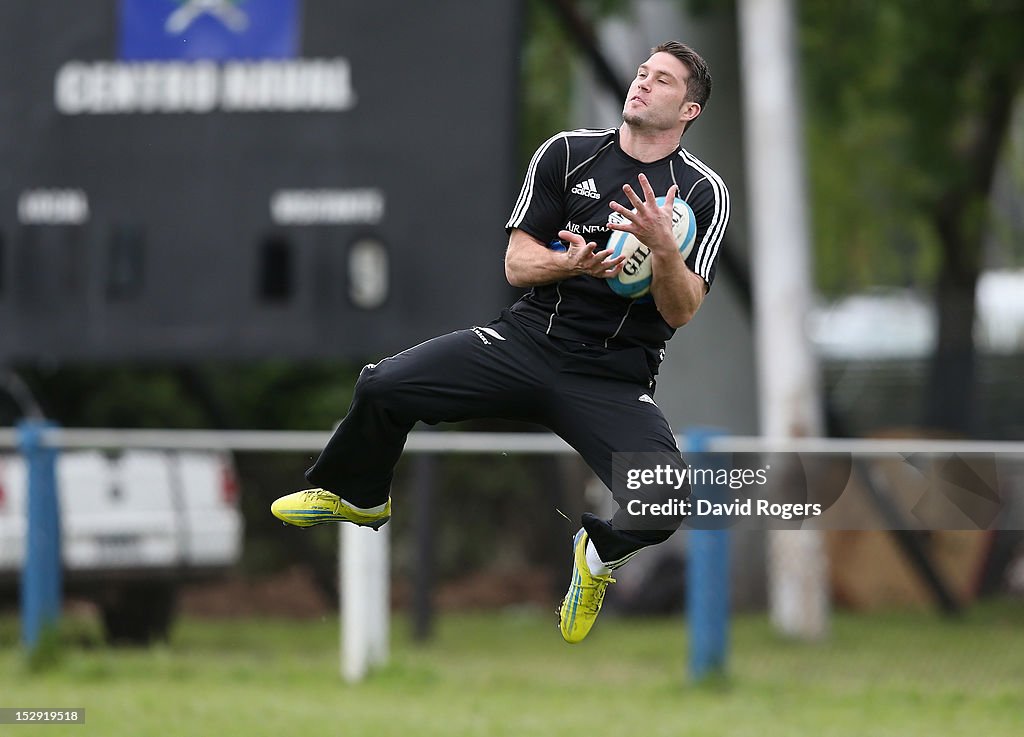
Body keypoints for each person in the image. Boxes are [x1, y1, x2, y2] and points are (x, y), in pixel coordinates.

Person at [271, 41, 730, 644]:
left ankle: (596, 558)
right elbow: (517, 264)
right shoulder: (566, 155)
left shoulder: (701, 193)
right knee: (383, 384)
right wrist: (574, 264)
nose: (642, 84)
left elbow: (682, 309)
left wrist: (663, 251)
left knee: (667, 495)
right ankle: (358, 495)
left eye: (663, 81)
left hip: (611, 375)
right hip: (525, 343)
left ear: (689, 111)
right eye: (641, 73)